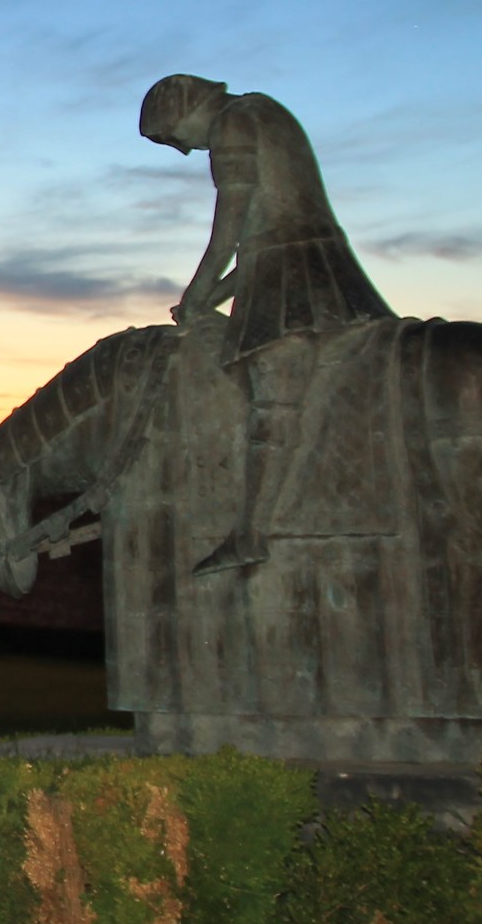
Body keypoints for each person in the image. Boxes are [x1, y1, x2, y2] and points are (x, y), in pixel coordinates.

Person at [140, 74, 394, 576]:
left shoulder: (235, 123)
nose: (184, 150)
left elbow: (231, 229)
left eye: (172, 137)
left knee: (270, 397)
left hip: (300, 280)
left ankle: (252, 532)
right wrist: (210, 296)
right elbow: (265, 241)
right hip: (292, 264)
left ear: (186, 109)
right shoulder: (259, 112)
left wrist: (196, 292)